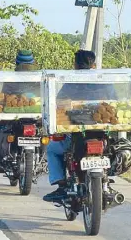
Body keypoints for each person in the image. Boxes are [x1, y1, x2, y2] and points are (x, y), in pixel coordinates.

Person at [43, 49, 117, 202]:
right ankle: (106, 182)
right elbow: (115, 102)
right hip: (102, 132)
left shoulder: (71, 81)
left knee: (52, 149)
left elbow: (59, 102)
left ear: (75, 65)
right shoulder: (105, 81)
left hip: (77, 133)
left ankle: (61, 185)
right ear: (94, 64)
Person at [0, 50, 40, 172]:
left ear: (17, 63)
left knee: (1, 128)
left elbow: (4, 95)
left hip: (14, 115)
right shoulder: (38, 77)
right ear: (33, 62)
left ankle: (1, 158)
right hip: (35, 115)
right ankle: (41, 160)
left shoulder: (11, 78)